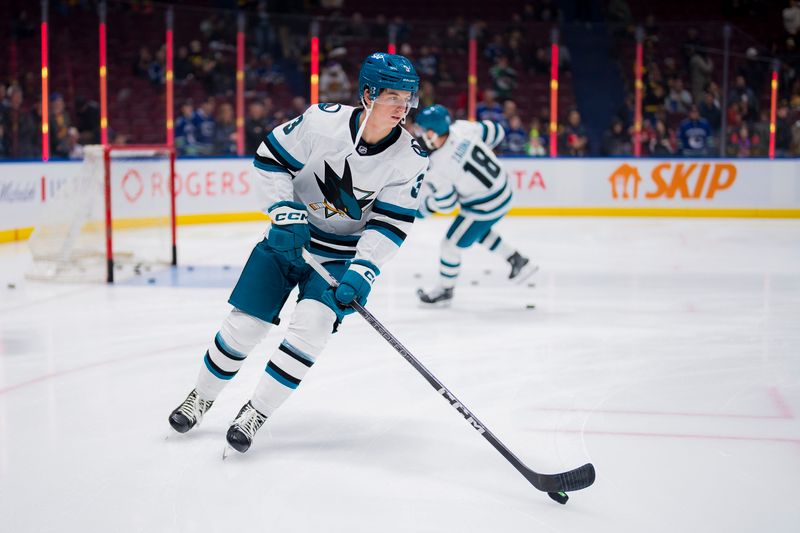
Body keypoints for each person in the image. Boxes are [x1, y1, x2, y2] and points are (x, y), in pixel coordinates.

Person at [168, 53, 428, 454]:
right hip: (291, 237)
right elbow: (269, 159)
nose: (401, 107)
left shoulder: (410, 157)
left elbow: (391, 224)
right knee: (246, 326)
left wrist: (364, 270)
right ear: (367, 94)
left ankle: (255, 412)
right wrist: (282, 212)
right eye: (392, 96)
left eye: (407, 98)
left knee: (312, 330)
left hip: (341, 258)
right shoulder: (321, 122)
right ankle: (200, 397)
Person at [412, 104, 536, 306]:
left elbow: (446, 204)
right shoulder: (462, 129)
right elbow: (496, 131)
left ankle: (445, 290)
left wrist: (421, 209)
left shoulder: (437, 166)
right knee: (472, 231)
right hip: (503, 189)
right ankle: (516, 259)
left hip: (484, 207)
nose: (419, 134)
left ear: (432, 133)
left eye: (422, 130)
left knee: (450, 245)